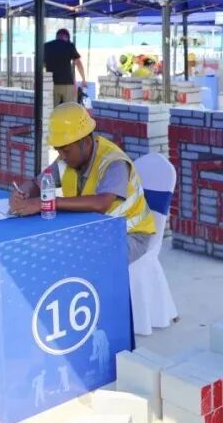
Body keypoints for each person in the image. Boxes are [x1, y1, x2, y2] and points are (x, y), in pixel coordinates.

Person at [9, 103, 155, 262]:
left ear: (86, 142)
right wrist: (23, 192)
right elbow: (38, 182)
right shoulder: (67, 160)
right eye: (58, 150)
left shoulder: (114, 162)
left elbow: (101, 203)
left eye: (66, 150)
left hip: (129, 234)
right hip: (95, 229)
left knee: (79, 260)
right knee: (45, 247)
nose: (62, 156)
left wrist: (47, 203)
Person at [43, 28, 87, 106]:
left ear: (57, 36)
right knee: (69, 108)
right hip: (67, 83)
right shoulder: (69, 46)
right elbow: (78, 64)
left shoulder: (46, 46)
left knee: (52, 109)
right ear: (66, 37)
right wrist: (83, 79)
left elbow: (41, 65)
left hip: (50, 83)